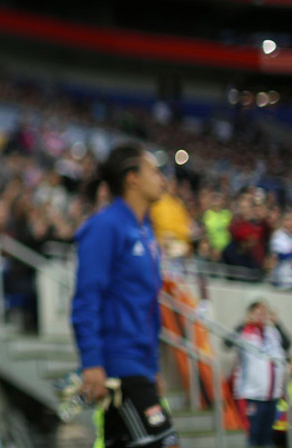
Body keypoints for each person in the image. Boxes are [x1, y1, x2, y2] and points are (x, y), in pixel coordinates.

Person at [71, 142, 180, 448]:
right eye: (155, 171)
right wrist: (92, 362)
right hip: (119, 366)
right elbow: (86, 298)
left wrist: (153, 366)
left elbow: (148, 307)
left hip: (140, 366)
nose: (162, 179)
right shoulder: (105, 227)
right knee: (166, 442)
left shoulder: (146, 232)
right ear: (132, 178)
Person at [227, 300, 289, 448]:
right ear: (250, 314)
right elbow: (227, 343)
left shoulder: (272, 332)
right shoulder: (245, 332)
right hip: (252, 396)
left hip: (272, 395)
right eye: (258, 312)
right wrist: (242, 323)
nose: (262, 315)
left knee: (268, 438)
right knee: (253, 438)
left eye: (264, 311)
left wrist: (278, 323)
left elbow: (287, 344)